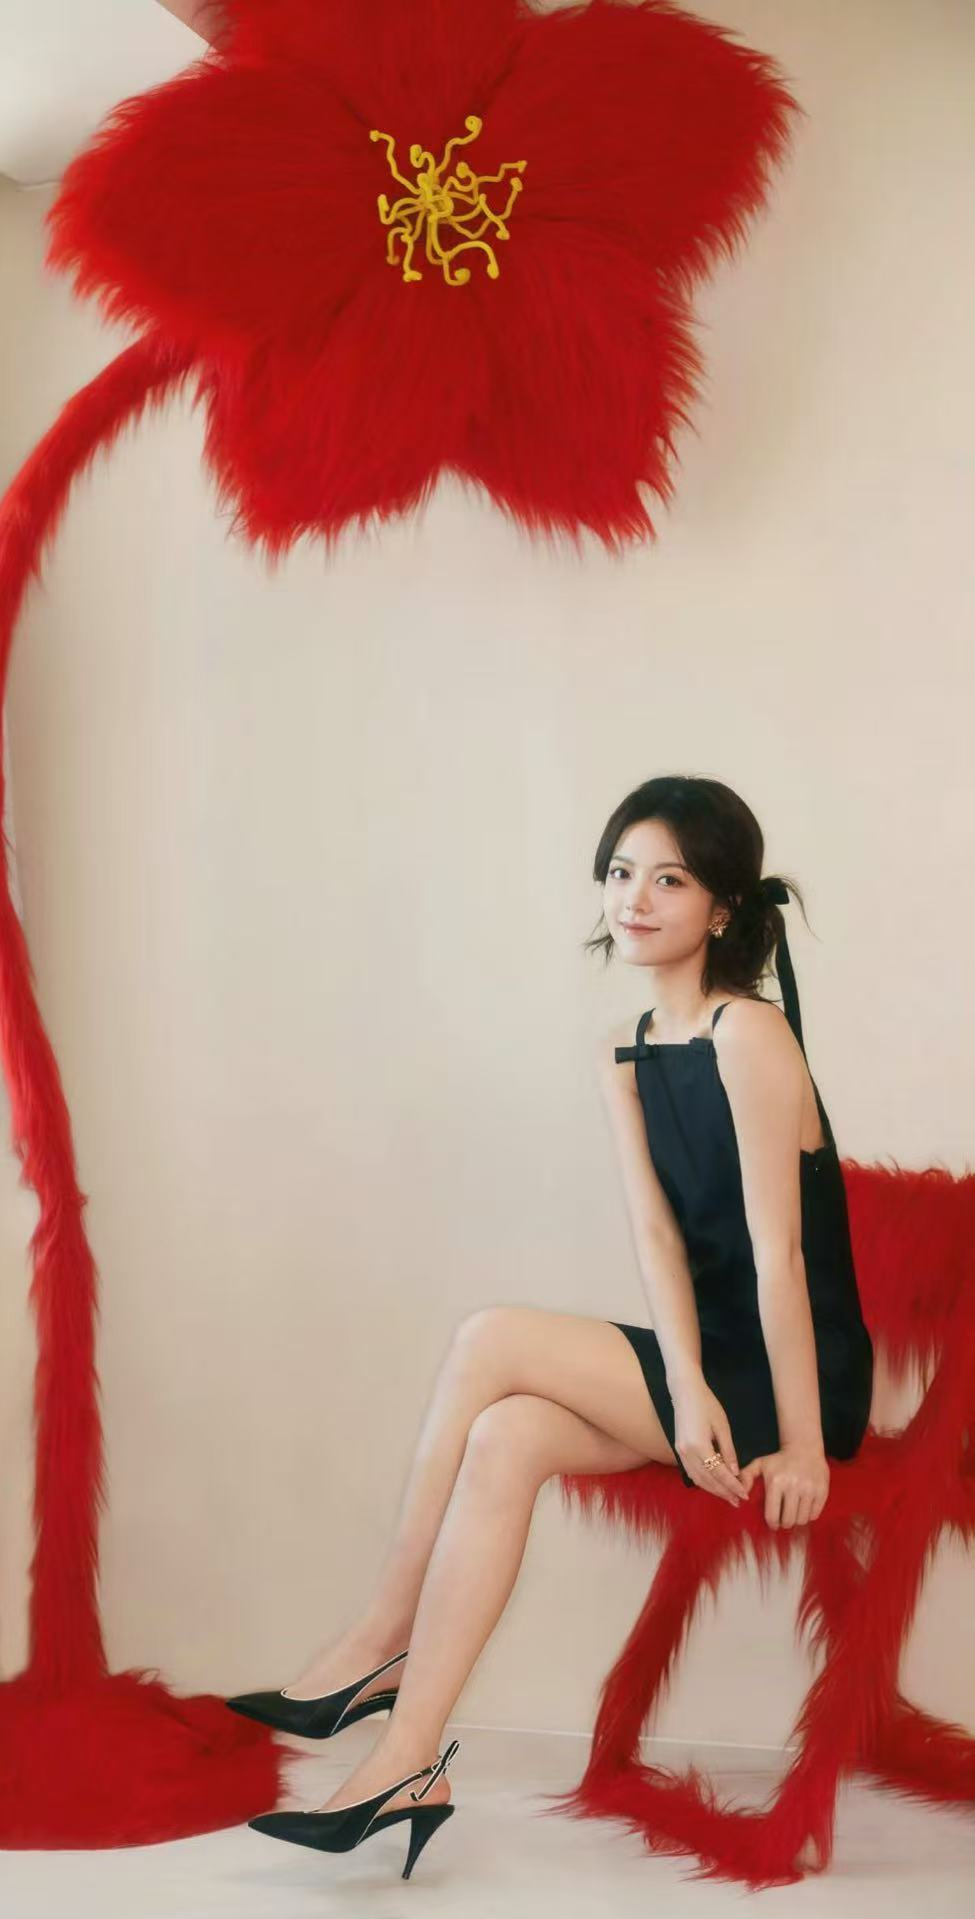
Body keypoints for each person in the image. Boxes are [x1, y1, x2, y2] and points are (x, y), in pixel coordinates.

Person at [228, 774, 874, 1879]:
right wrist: (684, 1385)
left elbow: (781, 1261)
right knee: (505, 1433)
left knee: (489, 1336)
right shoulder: (628, 1045)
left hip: (789, 1374)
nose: (634, 898)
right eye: (621, 872)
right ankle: (404, 1758)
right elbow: (659, 1240)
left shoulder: (749, 1033)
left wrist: (806, 1442)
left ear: (721, 907)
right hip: (705, 1367)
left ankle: (379, 1637)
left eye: (668, 879)